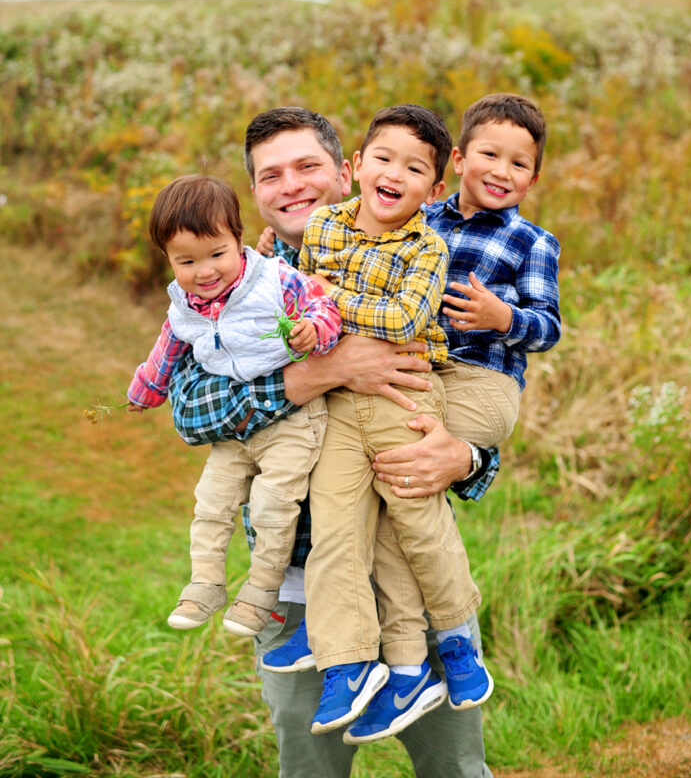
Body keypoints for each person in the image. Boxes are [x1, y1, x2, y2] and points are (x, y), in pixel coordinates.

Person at [168, 107, 499, 778]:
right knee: (311, 769)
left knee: (455, 768)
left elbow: (474, 390)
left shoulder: (407, 255)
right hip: (294, 588)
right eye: (271, 175)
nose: (291, 185)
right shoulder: (226, 282)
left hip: (405, 572)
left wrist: (466, 458)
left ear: (344, 170)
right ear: (254, 191)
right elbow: (192, 410)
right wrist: (323, 371)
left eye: (307, 166)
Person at [295, 105, 488, 743]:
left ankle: (457, 635)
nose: (393, 174)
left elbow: (405, 322)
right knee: (335, 527)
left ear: (434, 191)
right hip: (339, 405)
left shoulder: (428, 247)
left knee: (416, 518)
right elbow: (297, 303)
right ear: (356, 167)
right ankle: (346, 662)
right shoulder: (322, 225)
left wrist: (330, 299)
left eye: (413, 169)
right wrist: (319, 303)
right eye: (382, 158)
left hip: (405, 396)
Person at [126, 174, 342, 636]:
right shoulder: (184, 305)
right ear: (168, 258)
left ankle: (262, 591)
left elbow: (322, 305)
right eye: (187, 261)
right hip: (235, 431)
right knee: (211, 501)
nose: (205, 272)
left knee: (272, 505)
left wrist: (315, 330)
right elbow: (168, 350)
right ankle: (204, 584)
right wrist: (146, 389)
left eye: (217, 254)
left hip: (294, 420)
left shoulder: (273, 279)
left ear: (238, 240)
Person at [427, 92, 561, 466]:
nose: (502, 172)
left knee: (398, 441)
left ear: (531, 180)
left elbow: (548, 327)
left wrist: (503, 318)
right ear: (458, 159)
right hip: (424, 368)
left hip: (480, 377)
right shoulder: (423, 219)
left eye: (518, 164)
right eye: (489, 155)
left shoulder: (532, 242)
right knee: (400, 468)